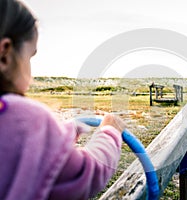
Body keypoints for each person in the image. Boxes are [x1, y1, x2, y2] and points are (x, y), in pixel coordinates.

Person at [0, 0, 126, 199]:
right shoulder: (26, 117)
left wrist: (63, 133)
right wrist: (109, 132)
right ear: (5, 55)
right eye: (29, 56)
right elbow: (86, 173)